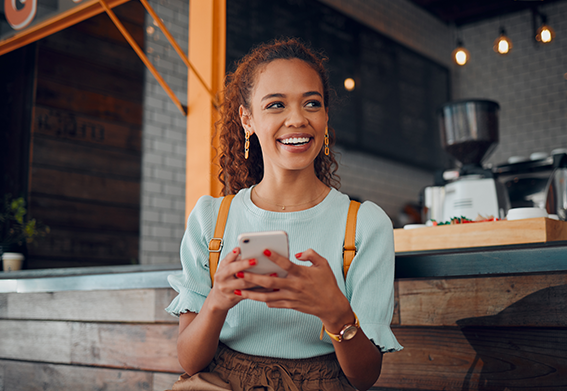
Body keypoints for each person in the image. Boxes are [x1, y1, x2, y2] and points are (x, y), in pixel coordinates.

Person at [165, 38, 402, 391]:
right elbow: (189, 360)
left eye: (312, 103)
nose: (297, 119)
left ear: (325, 117)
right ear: (247, 119)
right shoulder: (211, 218)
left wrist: (336, 313)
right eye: (276, 104)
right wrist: (217, 301)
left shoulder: (365, 225)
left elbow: (365, 377)